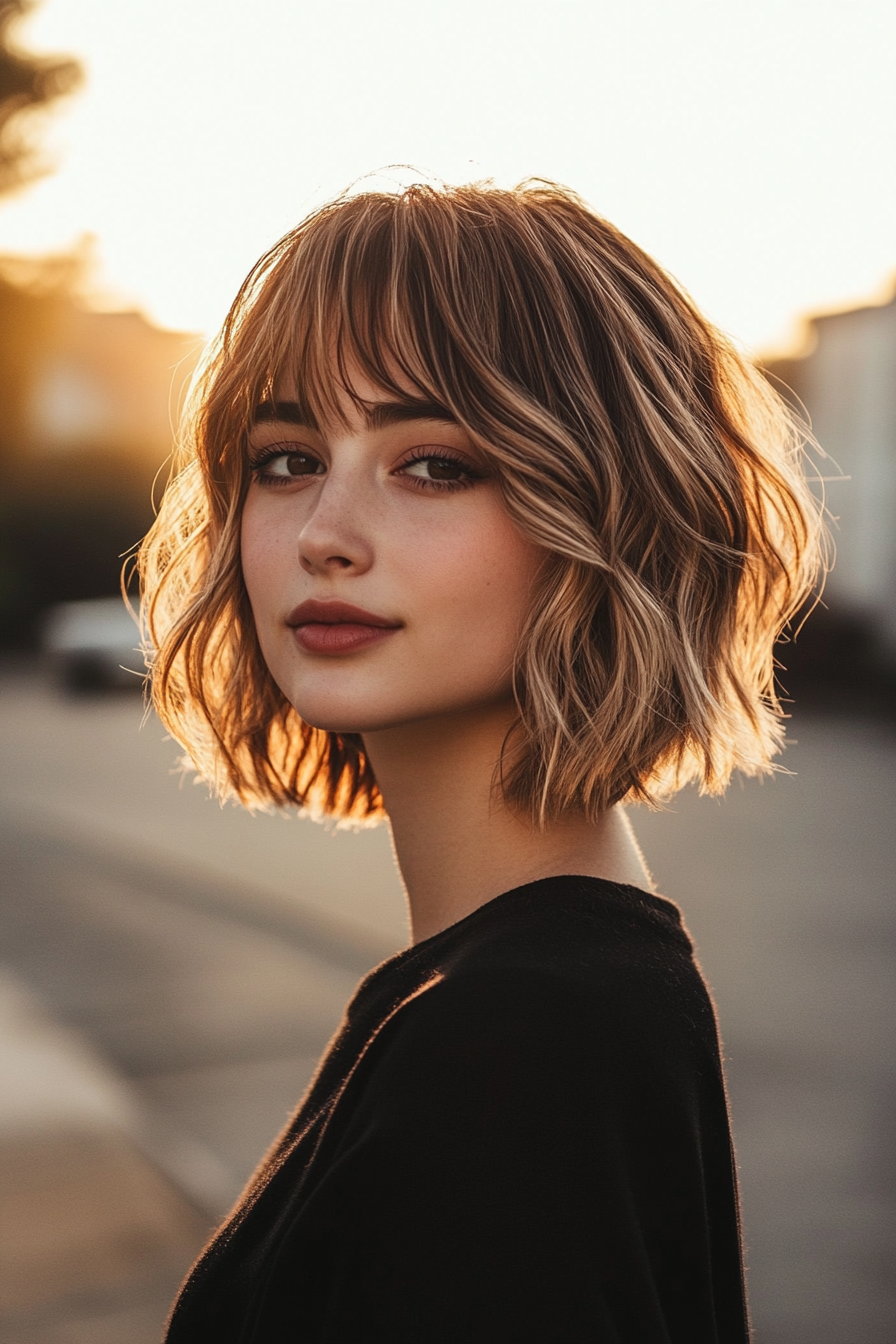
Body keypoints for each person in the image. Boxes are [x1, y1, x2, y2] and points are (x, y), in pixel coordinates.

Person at [139, 179, 823, 1342]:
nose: (323, 535)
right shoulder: (548, 986)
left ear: (609, 509)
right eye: (286, 457)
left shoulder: (516, 1041)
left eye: (436, 465)